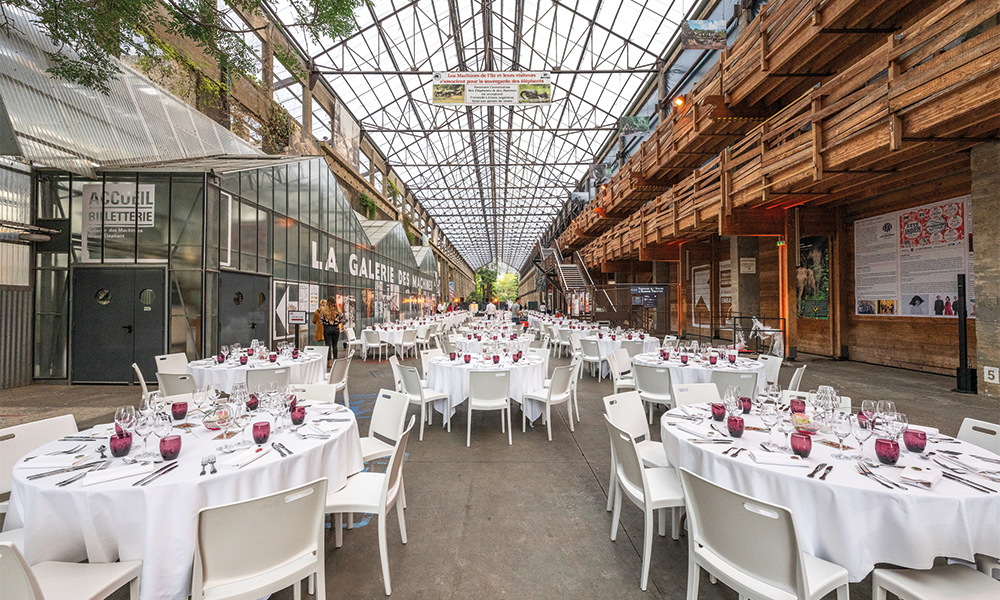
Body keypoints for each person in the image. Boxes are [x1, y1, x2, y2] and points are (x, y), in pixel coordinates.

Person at [320, 296, 344, 365]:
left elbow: (321, 321)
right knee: (335, 345)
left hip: (327, 328)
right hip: (335, 329)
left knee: (328, 345)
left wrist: (327, 323)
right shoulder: (338, 311)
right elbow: (341, 320)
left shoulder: (324, 311)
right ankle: (335, 360)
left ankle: (329, 361)